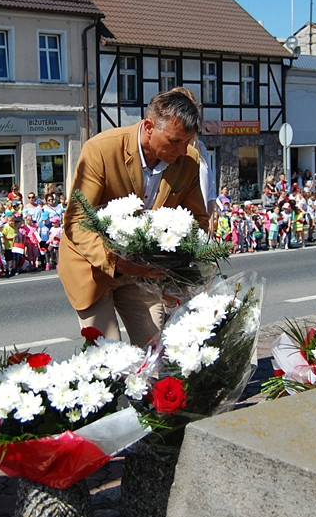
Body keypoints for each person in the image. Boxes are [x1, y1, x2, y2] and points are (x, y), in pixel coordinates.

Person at [59, 87, 209, 345]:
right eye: (175, 141)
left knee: (154, 351)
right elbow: (77, 222)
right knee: (111, 355)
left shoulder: (189, 161)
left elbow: (197, 221)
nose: (183, 150)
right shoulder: (100, 150)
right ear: (150, 126)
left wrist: (180, 271)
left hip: (143, 274)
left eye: (188, 141)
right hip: (92, 267)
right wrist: (117, 262)